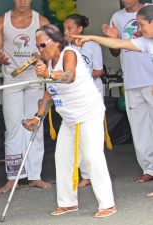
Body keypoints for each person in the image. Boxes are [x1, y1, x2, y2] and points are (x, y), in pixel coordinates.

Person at [24, 24, 116, 218]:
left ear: (56, 42)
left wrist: (48, 74)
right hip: (68, 117)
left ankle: (107, 203)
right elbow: (49, 91)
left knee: (92, 157)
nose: (39, 50)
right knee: (62, 158)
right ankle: (67, 203)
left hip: (88, 112)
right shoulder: (48, 62)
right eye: (37, 46)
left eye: (42, 45)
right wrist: (37, 117)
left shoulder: (69, 53)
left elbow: (69, 76)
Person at [74, 4, 153, 197]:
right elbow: (120, 44)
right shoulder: (146, 42)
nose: (139, 30)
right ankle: (149, 169)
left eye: (142, 25)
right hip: (135, 82)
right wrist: (91, 37)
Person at [0, 0, 51, 193]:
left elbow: (53, 50)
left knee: (34, 126)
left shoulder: (41, 20)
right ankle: (13, 176)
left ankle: (34, 176)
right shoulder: (2, 21)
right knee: (13, 128)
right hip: (12, 81)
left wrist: (43, 55)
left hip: (35, 80)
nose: (23, 1)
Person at [102, 0, 153, 184]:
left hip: (151, 78)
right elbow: (115, 52)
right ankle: (149, 168)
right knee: (139, 128)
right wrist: (113, 38)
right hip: (132, 79)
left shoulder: (150, 9)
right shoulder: (118, 16)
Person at [63, 14, 105, 188]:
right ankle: (84, 174)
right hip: (73, 95)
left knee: (92, 136)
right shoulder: (64, 49)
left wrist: (81, 77)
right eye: (64, 28)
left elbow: (99, 71)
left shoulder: (93, 46)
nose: (66, 32)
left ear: (80, 29)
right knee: (77, 136)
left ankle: (94, 173)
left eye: (70, 28)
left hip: (92, 92)